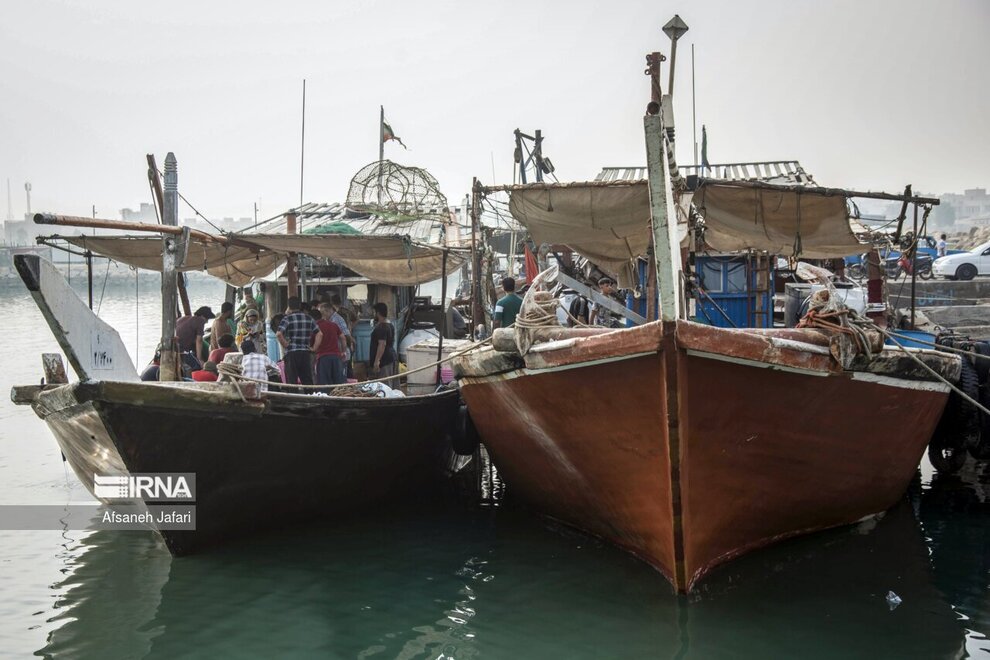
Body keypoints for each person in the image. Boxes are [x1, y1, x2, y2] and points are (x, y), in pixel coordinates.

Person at [277, 296, 319, 386]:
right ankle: (309, 394)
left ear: (289, 306)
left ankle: (293, 395)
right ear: (299, 305)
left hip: (292, 353)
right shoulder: (309, 318)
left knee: (292, 380)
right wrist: (314, 348)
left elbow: (279, 334)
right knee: (307, 380)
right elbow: (320, 334)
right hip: (305, 352)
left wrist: (286, 345)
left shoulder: (287, 318)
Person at [313, 303, 346, 386]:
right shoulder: (333, 325)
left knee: (324, 384)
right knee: (338, 384)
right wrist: (343, 351)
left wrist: (313, 349)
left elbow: (313, 343)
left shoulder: (315, 327)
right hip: (336, 357)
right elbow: (343, 337)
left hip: (323, 358)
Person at [370, 302, 397, 385]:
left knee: (385, 386)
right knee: (392, 385)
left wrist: (377, 361)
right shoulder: (390, 324)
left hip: (385, 361)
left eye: (374, 312)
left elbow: (382, 344)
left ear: (378, 313)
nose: (373, 314)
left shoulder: (382, 327)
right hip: (391, 358)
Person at [329, 294, 356, 367]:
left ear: (331, 302)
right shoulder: (346, 311)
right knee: (349, 361)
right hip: (349, 336)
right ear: (340, 302)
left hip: (341, 339)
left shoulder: (333, 314)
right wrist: (351, 327)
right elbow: (356, 319)